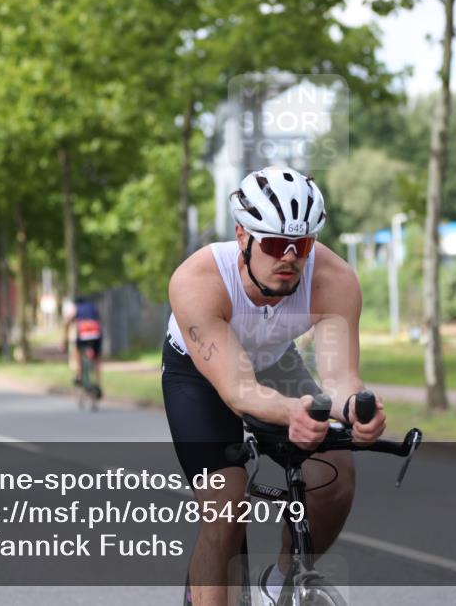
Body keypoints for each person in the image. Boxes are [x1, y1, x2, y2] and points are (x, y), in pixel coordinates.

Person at [163, 166, 386, 606]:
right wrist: (293, 413)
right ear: (243, 236)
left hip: (274, 361)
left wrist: (356, 412)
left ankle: (281, 583)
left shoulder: (334, 280)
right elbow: (238, 391)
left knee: (336, 471)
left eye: (300, 245)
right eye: (273, 243)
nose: (288, 257)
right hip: (204, 372)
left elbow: (340, 380)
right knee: (227, 505)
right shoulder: (197, 280)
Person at [63, 294, 103, 392]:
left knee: (77, 351)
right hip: (96, 332)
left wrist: (64, 339)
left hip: (84, 333)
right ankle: (98, 384)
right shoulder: (92, 307)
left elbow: (68, 321)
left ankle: (79, 375)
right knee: (96, 359)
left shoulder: (76, 308)